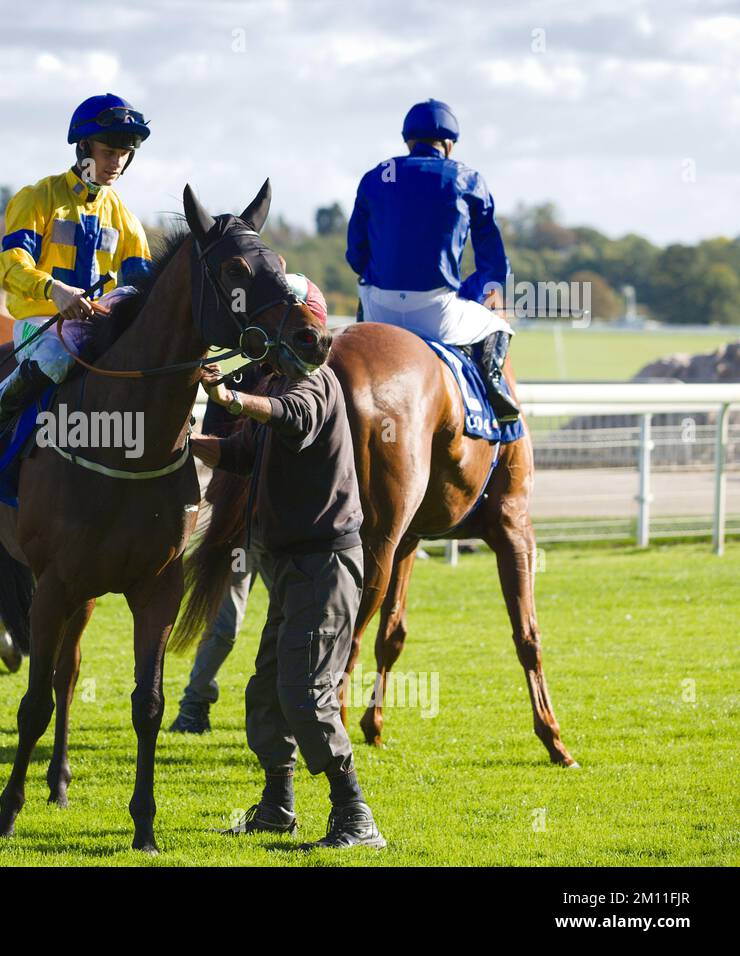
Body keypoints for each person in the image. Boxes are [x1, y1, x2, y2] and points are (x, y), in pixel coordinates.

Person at [190, 338, 385, 851]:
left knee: (305, 692)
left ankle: (356, 816)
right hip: (294, 567)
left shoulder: (314, 384)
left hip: (325, 565)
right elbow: (244, 452)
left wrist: (231, 401)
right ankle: (277, 807)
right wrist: (186, 442)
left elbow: (290, 416)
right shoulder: (278, 382)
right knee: (268, 690)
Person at [169, 271, 330, 735]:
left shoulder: (314, 381)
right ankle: (195, 702)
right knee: (225, 623)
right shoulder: (237, 371)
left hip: (294, 526)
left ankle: (304, 716)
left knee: (293, 628)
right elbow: (227, 444)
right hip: (241, 518)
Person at [0, 93, 153, 464]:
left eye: (125, 153)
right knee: (57, 354)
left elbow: (143, 290)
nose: (116, 162)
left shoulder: (127, 220)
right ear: (84, 147)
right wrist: (54, 290)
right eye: (109, 152)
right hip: (39, 323)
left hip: (95, 328)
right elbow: (11, 265)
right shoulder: (37, 198)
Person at [346, 98, 519, 421]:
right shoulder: (467, 179)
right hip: (437, 312)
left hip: (377, 311)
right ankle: (496, 398)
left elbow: (355, 255)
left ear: (408, 141)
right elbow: (495, 266)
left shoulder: (376, 176)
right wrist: (471, 290)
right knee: (498, 325)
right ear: (449, 145)